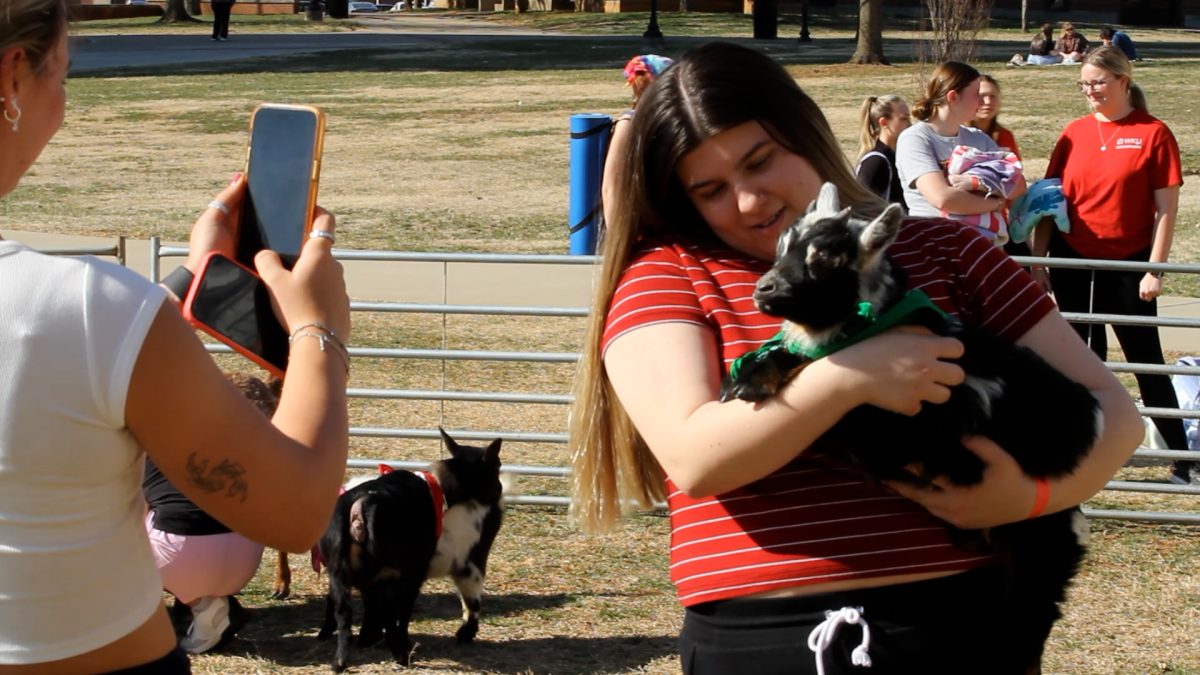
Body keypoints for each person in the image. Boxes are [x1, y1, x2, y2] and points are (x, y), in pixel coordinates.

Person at [569, 41, 1142, 675]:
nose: (750, 201)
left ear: (804, 133)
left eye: (761, 162)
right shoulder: (669, 277)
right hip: (773, 640)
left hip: (968, 626)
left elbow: (1115, 414)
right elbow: (695, 457)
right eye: (710, 190)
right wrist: (849, 378)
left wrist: (1029, 499)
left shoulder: (948, 251)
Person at [0, 2, 352, 672]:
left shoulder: (99, 315)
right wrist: (319, 329)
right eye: (64, 75)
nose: (64, 103)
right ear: (14, 76)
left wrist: (191, 276)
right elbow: (299, 507)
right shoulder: (92, 309)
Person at [1031, 46, 1189, 484]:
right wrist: (1039, 262)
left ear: (1123, 80)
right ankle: (1085, 452)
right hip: (1072, 258)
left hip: (1129, 263)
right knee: (1083, 357)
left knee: (1145, 358)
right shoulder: (1074, 132)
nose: (1091, 91)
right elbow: (1049, 202)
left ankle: (1183, 460)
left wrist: (1155, 269)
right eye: (1084, 83)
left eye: (1098, 82)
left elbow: (1165, 211)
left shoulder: (1153, 133)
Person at [144, 372, 281, 656]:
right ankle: (206, 603)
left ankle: (202, 605)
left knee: (119, 536)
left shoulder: (161, 437)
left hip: (184, 558)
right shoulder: (265, 455)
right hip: (244, 560)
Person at [896, 61, 1024, 244]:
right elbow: (943, 199)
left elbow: (1018, 186)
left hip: (982, 246)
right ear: (953, 97)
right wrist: (994, 203)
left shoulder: (978, 138)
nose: (981, 102)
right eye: (976, 94)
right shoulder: (915, 139)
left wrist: (977, 183)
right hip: (936, 245)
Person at [601, 54, 674, 228]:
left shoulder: (669, 123)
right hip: (640, 224)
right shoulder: (628, 125)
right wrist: (617, 236)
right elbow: (611, 188)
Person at [969, 74, 1028, 256]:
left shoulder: (1005, 136)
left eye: (993, 96)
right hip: (969, 224)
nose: (987, 102)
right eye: (981, 96)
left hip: (1000, 224)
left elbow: (1015, 184)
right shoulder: (959, 135)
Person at [854, 94, 910, 209]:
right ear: (884, 122)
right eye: (904, 118)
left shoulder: (898, 155)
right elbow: (862, 208)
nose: (910, 124)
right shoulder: (876, 161)